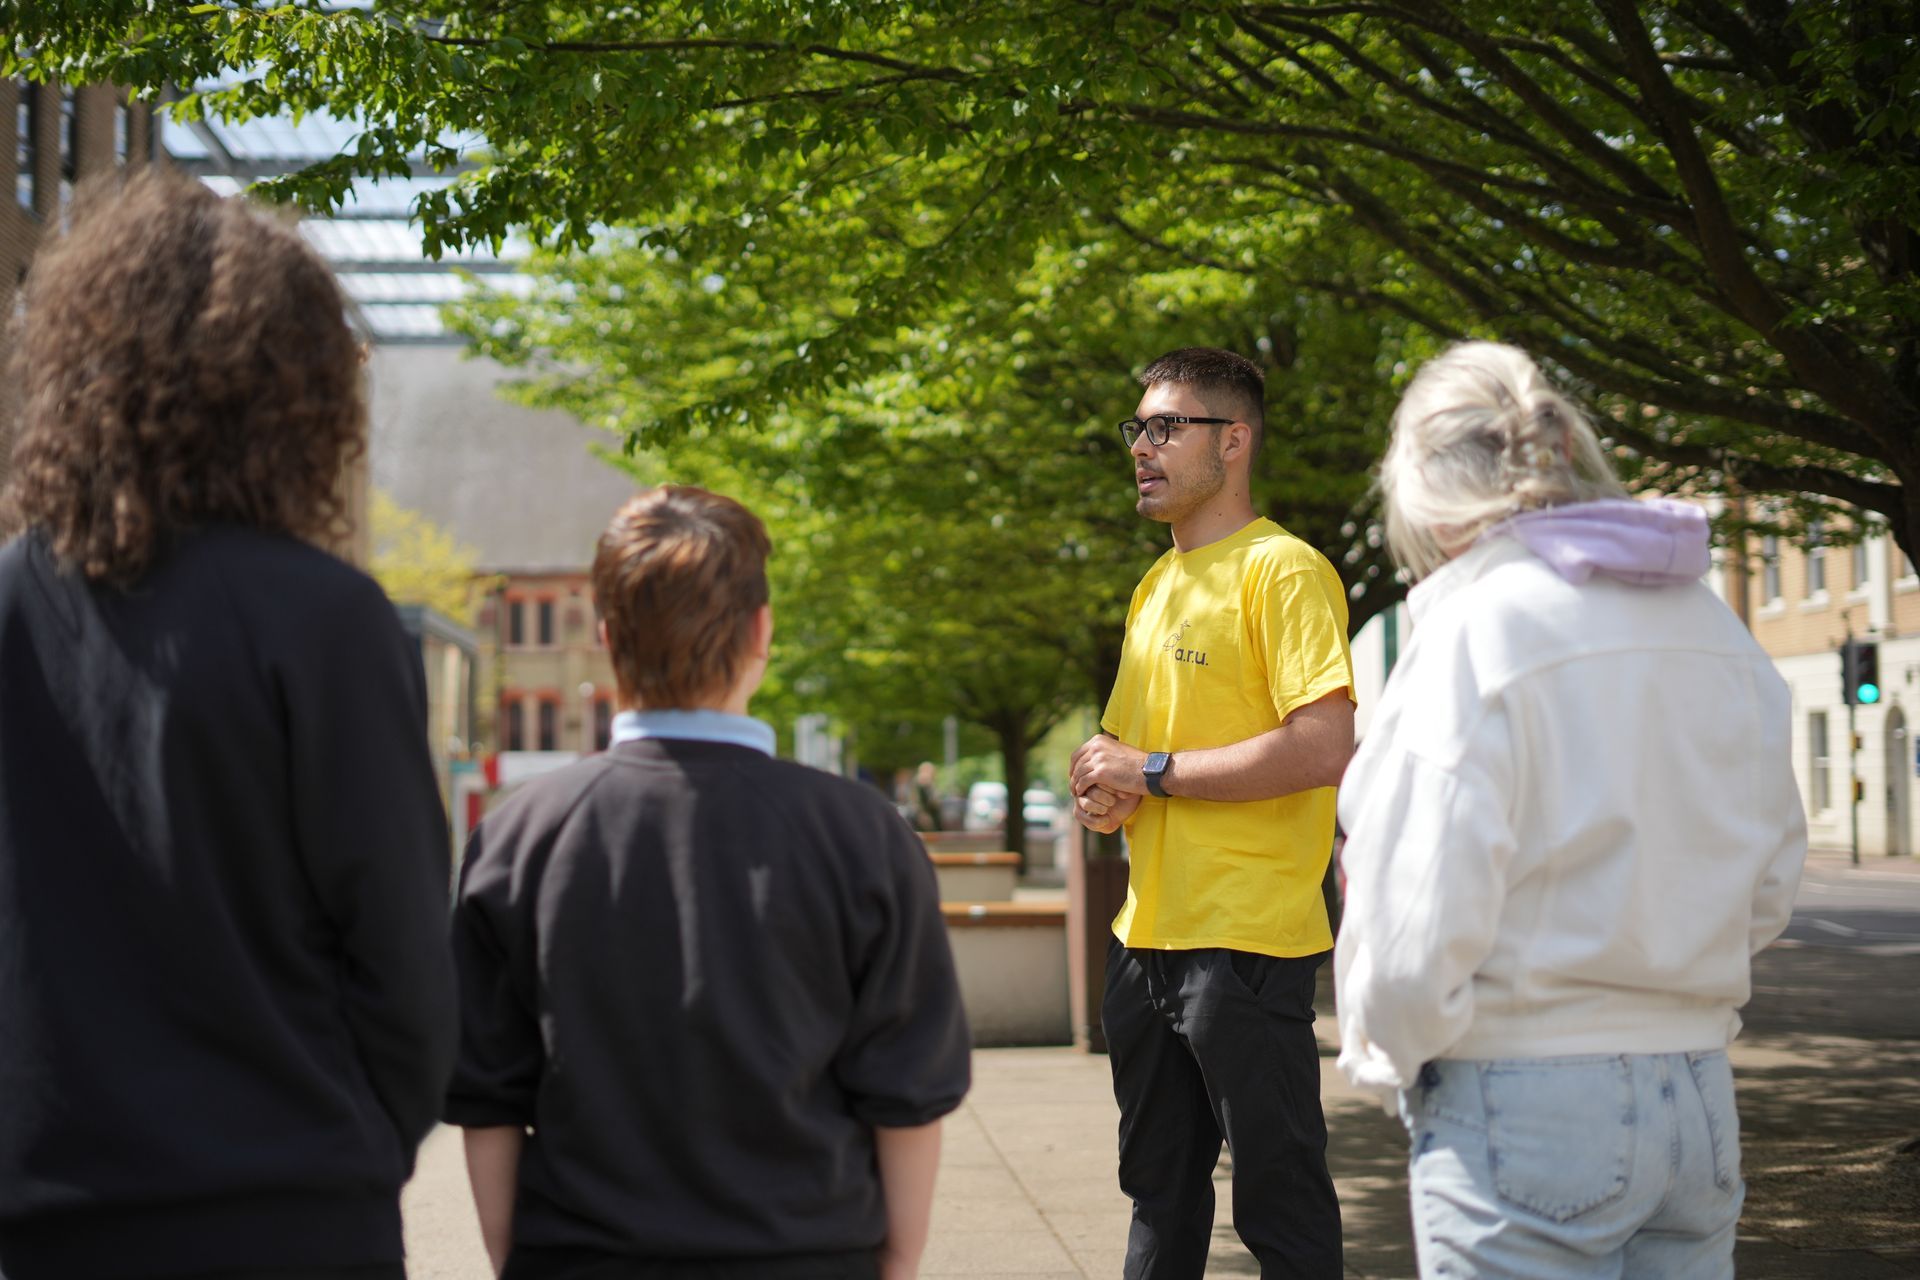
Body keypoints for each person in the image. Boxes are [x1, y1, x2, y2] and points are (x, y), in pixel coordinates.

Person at [0, 170, 457, 1278]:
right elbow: (404, 960)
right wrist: (351, 1145)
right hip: (292, 1212)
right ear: (292, 394)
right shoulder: (328, 618)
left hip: (47, 1222)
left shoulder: (9, 603)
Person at [1335, 342, 1807, 1278]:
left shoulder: (1475, 629)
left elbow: (1414, 922)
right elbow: (1770, 881)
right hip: (1698, 1094)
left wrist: (1395, 1059)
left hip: (1522, 1089)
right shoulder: (1715, 626)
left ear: (1422, 485)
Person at [446, 486, 971, 1280]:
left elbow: (487, 1094)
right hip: (808, 1254)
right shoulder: (863, 835)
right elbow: (906, 1090)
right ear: (762, 631)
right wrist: (893, 1261)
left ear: (607, 636)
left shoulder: (518, 837)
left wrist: (515, 1256)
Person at [1070, 348, 1353, 1279]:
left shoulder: (1285, 570)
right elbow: (1129, 754)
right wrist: (1103, 790)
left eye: (1166, 428)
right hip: (1144, 937)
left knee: (1282, 1206)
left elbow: (1324, 744)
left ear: (1233, 442)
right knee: (1158, 1194)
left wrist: (1149, 771)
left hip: (1247, 945)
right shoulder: (1155, 585)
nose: (1142, 448)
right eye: (1136, 430)